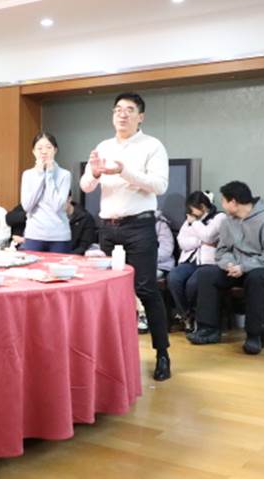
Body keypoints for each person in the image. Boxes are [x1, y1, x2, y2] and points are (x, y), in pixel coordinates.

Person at [80, 92, 171, 381]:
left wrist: (124, 171)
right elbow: (85, 186)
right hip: (108, 228)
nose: (122, 114)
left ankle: (162, 354)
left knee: (146, 289)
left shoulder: (152, 145)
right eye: (118, 109)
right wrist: (95, 173)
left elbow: (159, 185)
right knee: (110, 293)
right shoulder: (103, 146)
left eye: (129, 110)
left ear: (140, 117)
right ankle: (112, 357)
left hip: (139, 227)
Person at [187, 181, 264, 355]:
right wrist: (229, 264)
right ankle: (208, 330)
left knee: (255, 278)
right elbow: (222, 250)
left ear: (233, 202)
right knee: (207, 274)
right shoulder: (228, 222)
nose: (222, 205)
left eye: (224, 200)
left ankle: (254, 336)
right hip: (238, 269)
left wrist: (244, 266)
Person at [167, 191, 226, 331]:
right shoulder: (190, 219)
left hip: (208, 262)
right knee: (174, 278)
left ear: (203, 206)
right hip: (190, 260)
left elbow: (208, 236)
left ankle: (197, 316)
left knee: (192, 284)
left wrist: (195, 224)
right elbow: (182, 242)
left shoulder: (219, 217)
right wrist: (200, 242)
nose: (190, 212)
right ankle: (186, 315)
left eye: (193, 209)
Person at [19, 132, 72, 252]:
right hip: (34, 234)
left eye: (48, 147)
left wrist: (49, 175)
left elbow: (57, 206)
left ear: (55, 150)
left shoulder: (65, 174)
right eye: (39, 148)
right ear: (33, 151)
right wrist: (40, 175)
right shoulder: (28, 175)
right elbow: (27, 206)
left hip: (59, 235)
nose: (44, 152)